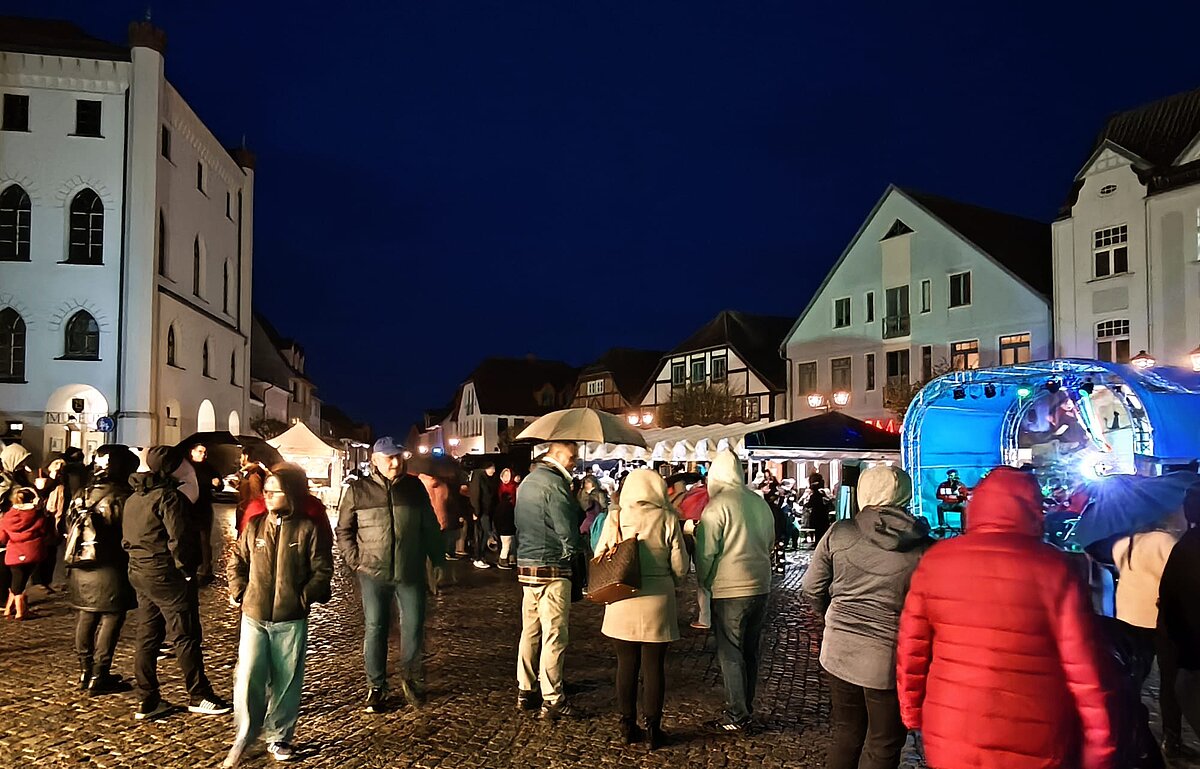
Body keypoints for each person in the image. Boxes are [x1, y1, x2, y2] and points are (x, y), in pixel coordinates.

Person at [896, 466, 1116, 769]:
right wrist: (1100, 741)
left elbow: (912, 646)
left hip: (951, 727)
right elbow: (1082, 665)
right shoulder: (1054, 568)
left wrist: (911, 710)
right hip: (1033, 733)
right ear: (1033, 508)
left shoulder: (937, 560)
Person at [802, 465, 932, 769]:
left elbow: (811, 587)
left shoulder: (841, 532)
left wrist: (832, 617)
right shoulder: (924, 547)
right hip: (888, 658)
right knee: (884, 743)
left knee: (846, 734)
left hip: (839, 651)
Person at [223, 464, 333, 768]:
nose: (268, 496)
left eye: (276, 491)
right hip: (254, 614)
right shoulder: (255, 525)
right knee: (249, 674)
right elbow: (237, 561)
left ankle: (280, 735)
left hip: (290, 617)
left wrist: (304, 596)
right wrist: (239, 591)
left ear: (292, 494)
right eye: (267, 491)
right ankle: (245, 732)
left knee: (286, 679)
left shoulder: (306, 529)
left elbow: (322, 569)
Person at [336, 437, 444, 714]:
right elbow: (344, 530)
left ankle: (411, 677)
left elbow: (430, 525)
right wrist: (355, 561)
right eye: (389, 458)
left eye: (398, 457)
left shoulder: (414, 487)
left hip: (410, 570)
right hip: (372, 572)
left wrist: (437, 559)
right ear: (375, 460)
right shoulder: (358, 490)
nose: (395, 463)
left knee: (414, 627)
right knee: (375, 628)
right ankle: (376, 685)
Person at [122, 445, 231, 720]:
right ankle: (199, 694)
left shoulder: (134, 497)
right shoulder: (168, 498)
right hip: (166, 574)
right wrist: (187, 570)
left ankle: (147, 698)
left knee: (148, 635)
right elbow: (179, 539)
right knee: (186, 634)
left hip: (140, 570)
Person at [594, 469, 688, 749]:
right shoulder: (667, 518)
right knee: (654, 666)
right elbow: (680, 566)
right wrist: (671, 580)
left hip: (622, 597)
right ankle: (653, 730)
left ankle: (627, 725)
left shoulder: (617, 517)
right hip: (657, 599)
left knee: (626, 664)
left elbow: (600, 554)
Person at [695, 448, 775, 733]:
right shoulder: (758, 503)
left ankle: (736, 714)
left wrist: (704, 582)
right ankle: (745, 706)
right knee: (750, 651)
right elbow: (770, 542)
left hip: (730, 589)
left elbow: (706, 553)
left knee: (730, 652)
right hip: (760, 585)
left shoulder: (717, 507)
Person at [514, 441, 583, 720]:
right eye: (572, 456)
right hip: (553, 566)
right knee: (554, 633)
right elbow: (566, 529)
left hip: (527, 564)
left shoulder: (528, 481)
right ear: (557, 455)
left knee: (530, 630)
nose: (575, 462)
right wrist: (573, 554)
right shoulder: (555, 484)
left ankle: (526, 689)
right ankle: (553, 698)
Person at [1110, 512, 1186, 764]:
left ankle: (1128, 729)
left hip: (1127, 618)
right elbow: (1176, 578)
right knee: (1169, 681)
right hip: (1158, 619)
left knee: (1133, 679)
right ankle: (1171, 738)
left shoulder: (1124, 543)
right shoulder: (1165, 542)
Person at [68, 445, 140, 694]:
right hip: (111, 564)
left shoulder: (81, 493)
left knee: (86, 616)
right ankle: (100, 674)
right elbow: (130, 532)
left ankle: (85, 671)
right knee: (112, 617)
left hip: (81, 564)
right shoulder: (124, 495)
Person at [1156, 488, 1200, 764]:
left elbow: (1167, 594)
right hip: (1186, 637)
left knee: (1171, 688)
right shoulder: (1176, 543)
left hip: (1178, 635)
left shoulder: (1183, 545)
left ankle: (1171, 740)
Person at [0, 487, 51, 620]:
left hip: (13, 553)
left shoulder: (7, 517)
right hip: (32, 552)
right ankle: (20, 612)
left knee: (17, 582)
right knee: (20, 583)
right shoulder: (37, 515)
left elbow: (2, 538)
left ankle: (9, 609)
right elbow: (44, 531)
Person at [187, 443, 220, 585]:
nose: (203, 455)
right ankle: (190, 567)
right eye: (200, 451)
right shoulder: (186, 467)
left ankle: (205, 570)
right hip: (189, 507)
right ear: (192, 452)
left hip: (203, 507)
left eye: (205, 452)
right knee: (189, 538)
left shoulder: (209, 467)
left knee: (204, 539)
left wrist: (217, 483)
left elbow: (219, 484)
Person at [469, 462, 499, 568]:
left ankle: (481, 556)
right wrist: (476, 511)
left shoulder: (489, 479)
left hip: (487, 511)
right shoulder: (478, 478)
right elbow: (475, 494)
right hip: (481, 512)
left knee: (485, 534)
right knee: (482, 534)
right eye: (491, 468)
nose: (493, 471)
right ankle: (478, 557)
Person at [234, 449, 268, 536]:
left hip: (249, 514)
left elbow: (256, 496)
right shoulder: (251, 472)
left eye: (241, 456)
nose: (240, 459)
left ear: (246, 456)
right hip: (246, 512)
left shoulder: (254, 475)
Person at [494, 468, 519, 570]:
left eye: (507, 475)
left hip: (512, 515)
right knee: (507, 542)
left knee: (512, 540)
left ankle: (512, 558)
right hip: (506, 518)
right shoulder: (500, 487)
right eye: (504, 475)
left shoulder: (515, 486)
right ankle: (503, 560)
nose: (505, 478)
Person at [801, 473, 833, 547]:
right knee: (821, 530)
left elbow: (810, 504)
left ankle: (819, 543)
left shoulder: (816, 495)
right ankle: (821, 543)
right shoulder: (822, 494)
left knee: (819, 530)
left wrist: (805, 504)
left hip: (818, 515)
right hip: (823, 515)